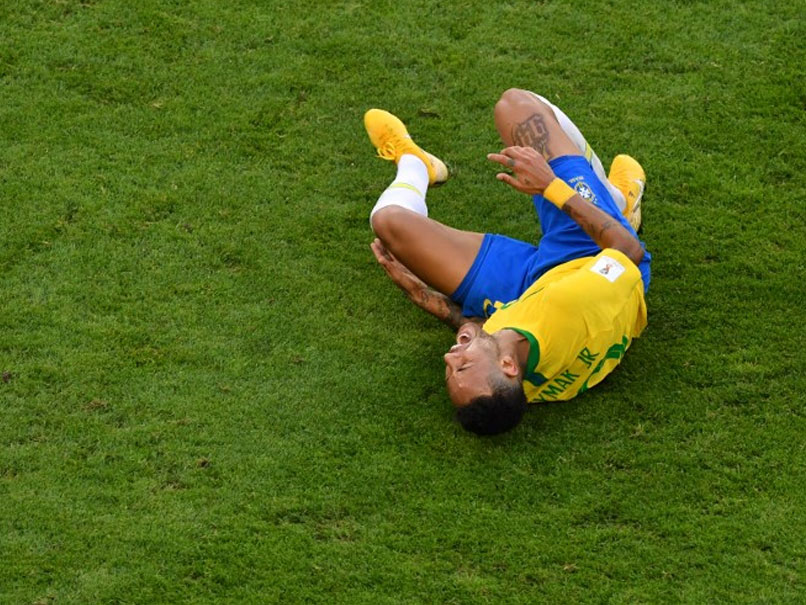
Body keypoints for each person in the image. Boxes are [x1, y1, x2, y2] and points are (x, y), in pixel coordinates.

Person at [364, 88, 651, 435]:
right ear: (508, 366)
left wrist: (426, 298)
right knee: (515, 106)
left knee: (388, 225)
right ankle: (617, 200)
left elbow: (477, 327)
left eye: (449, 370)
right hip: (593, 255)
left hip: (528, 290)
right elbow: (629, 254)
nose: (449, 357)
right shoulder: (570, 307)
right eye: (463, 367)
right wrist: (551, 186)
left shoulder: (513, 382)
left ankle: (415, 162)